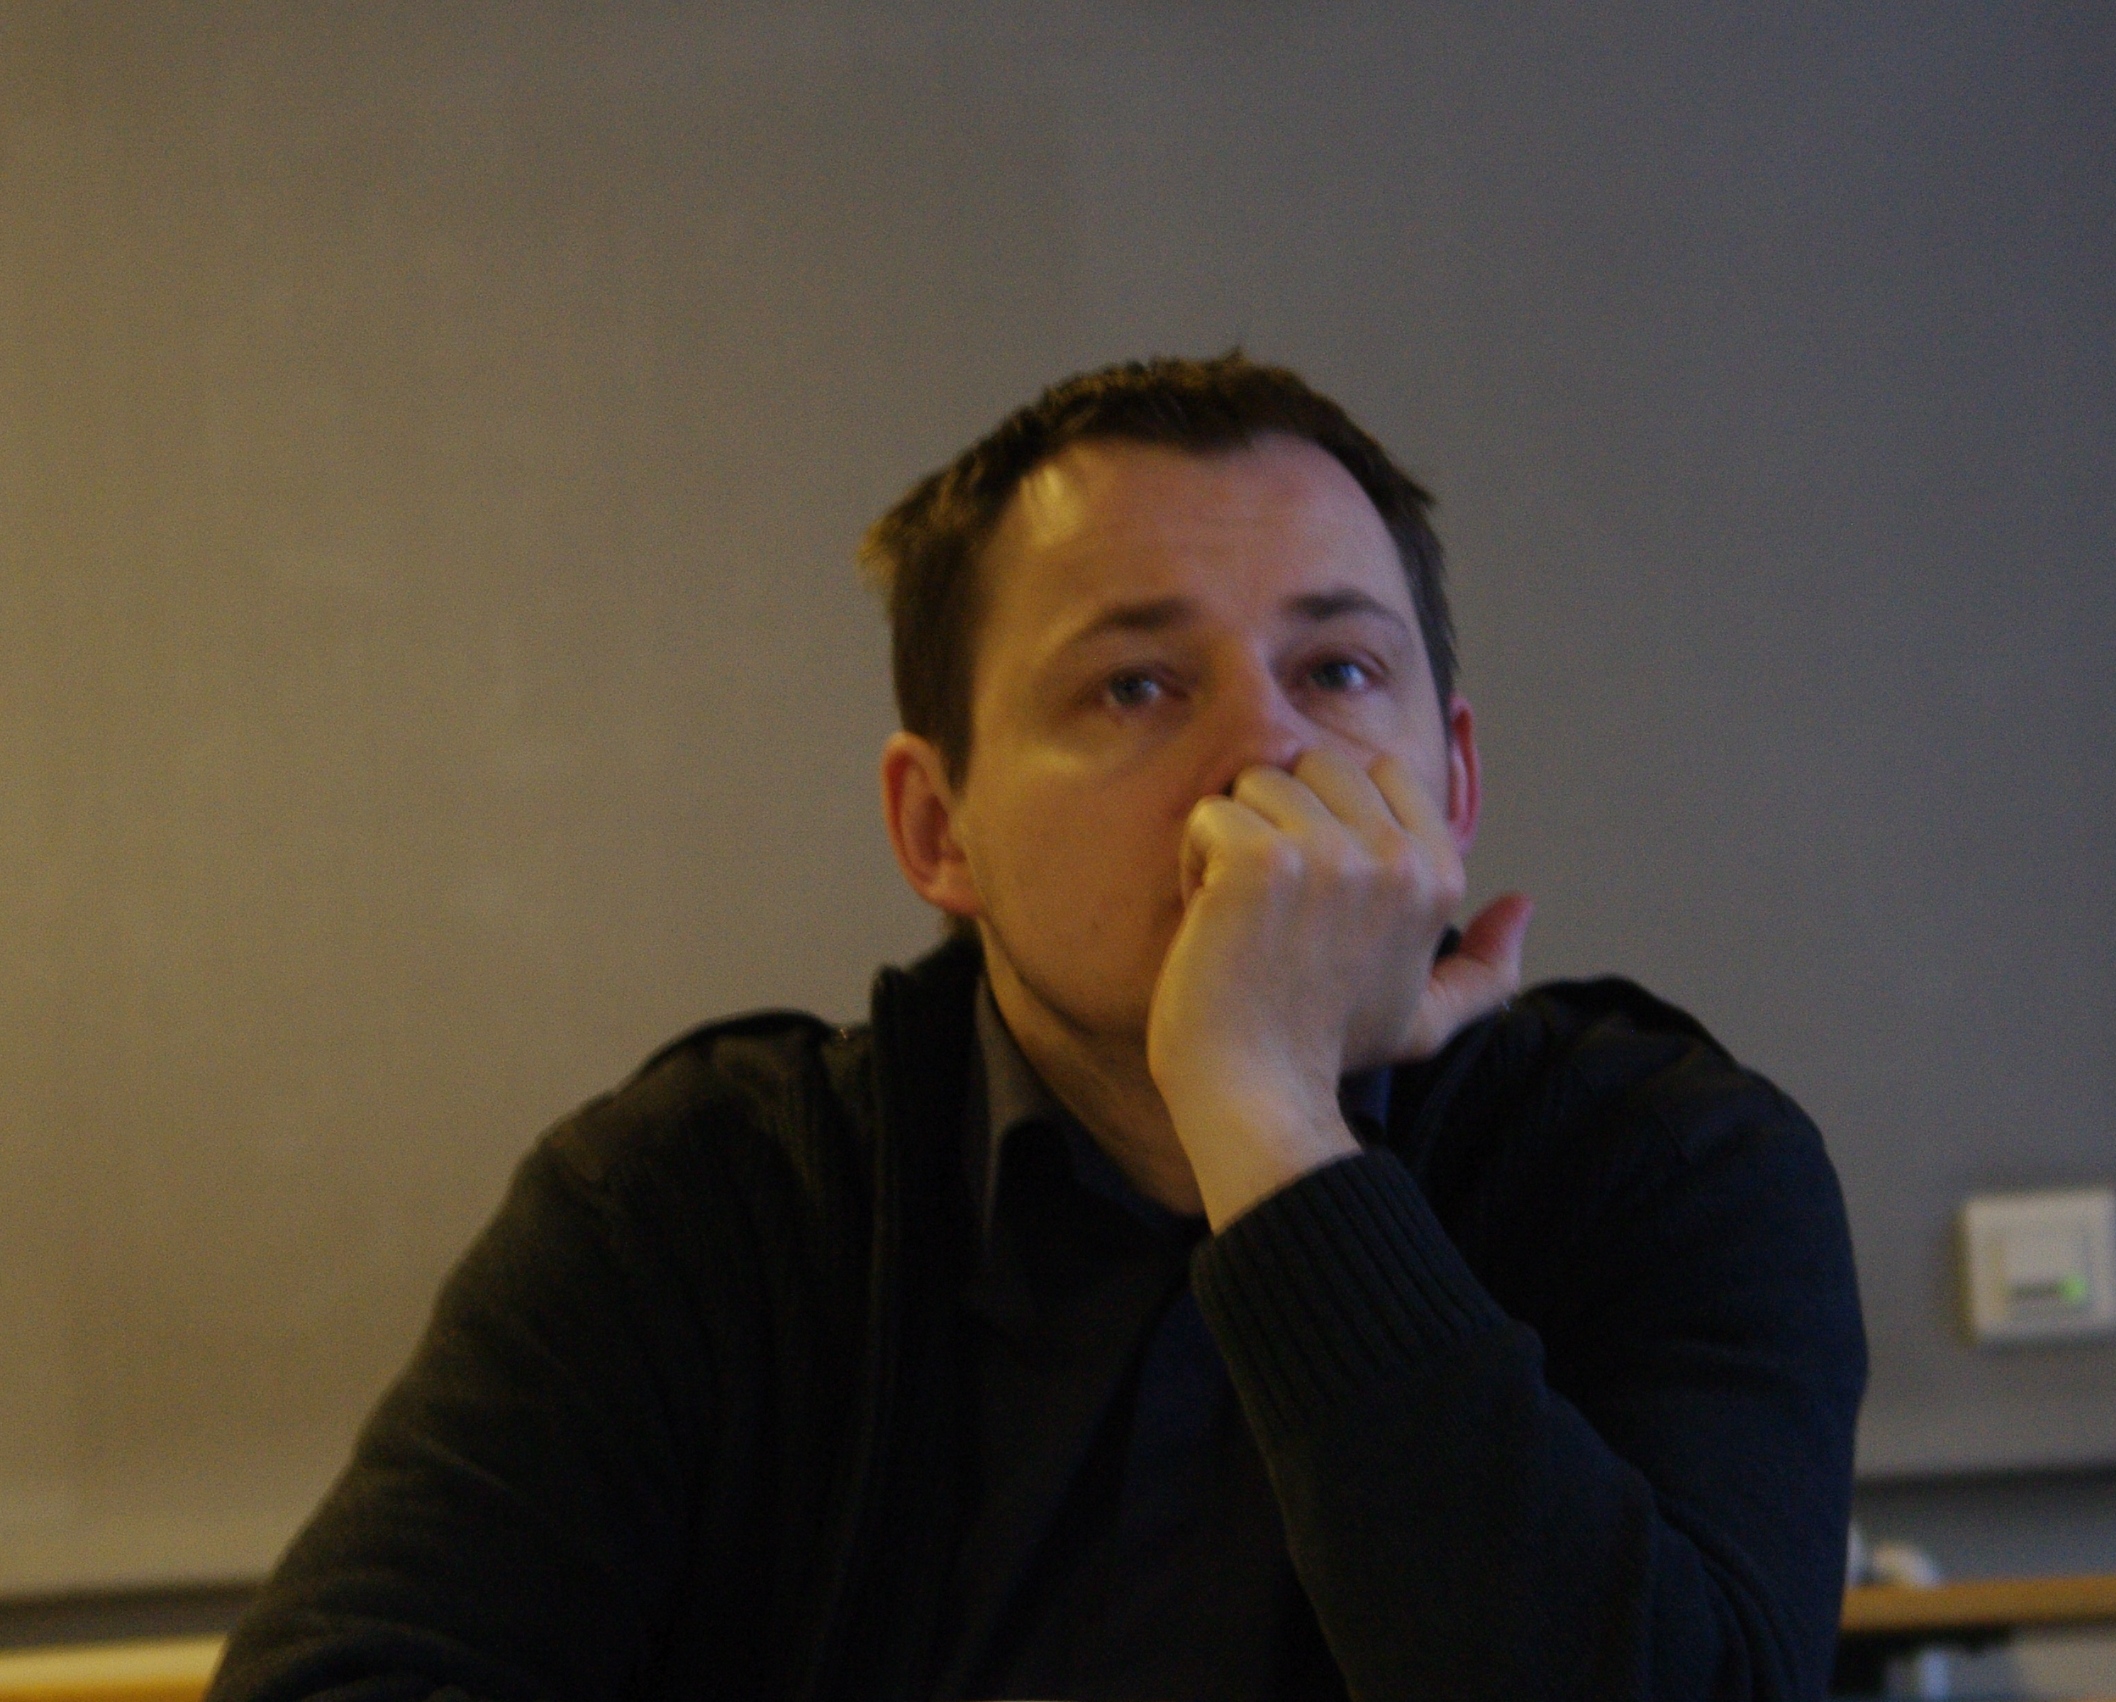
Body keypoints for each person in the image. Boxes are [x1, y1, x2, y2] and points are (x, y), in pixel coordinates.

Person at [209, 355, 1867, 1702]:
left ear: (1459, 778)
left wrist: (1276, 1127)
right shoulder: (696, 1203)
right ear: (939, 829)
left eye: (1342, 672)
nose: (1265, 755)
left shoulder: (1668, 1164)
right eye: (1136, 685)